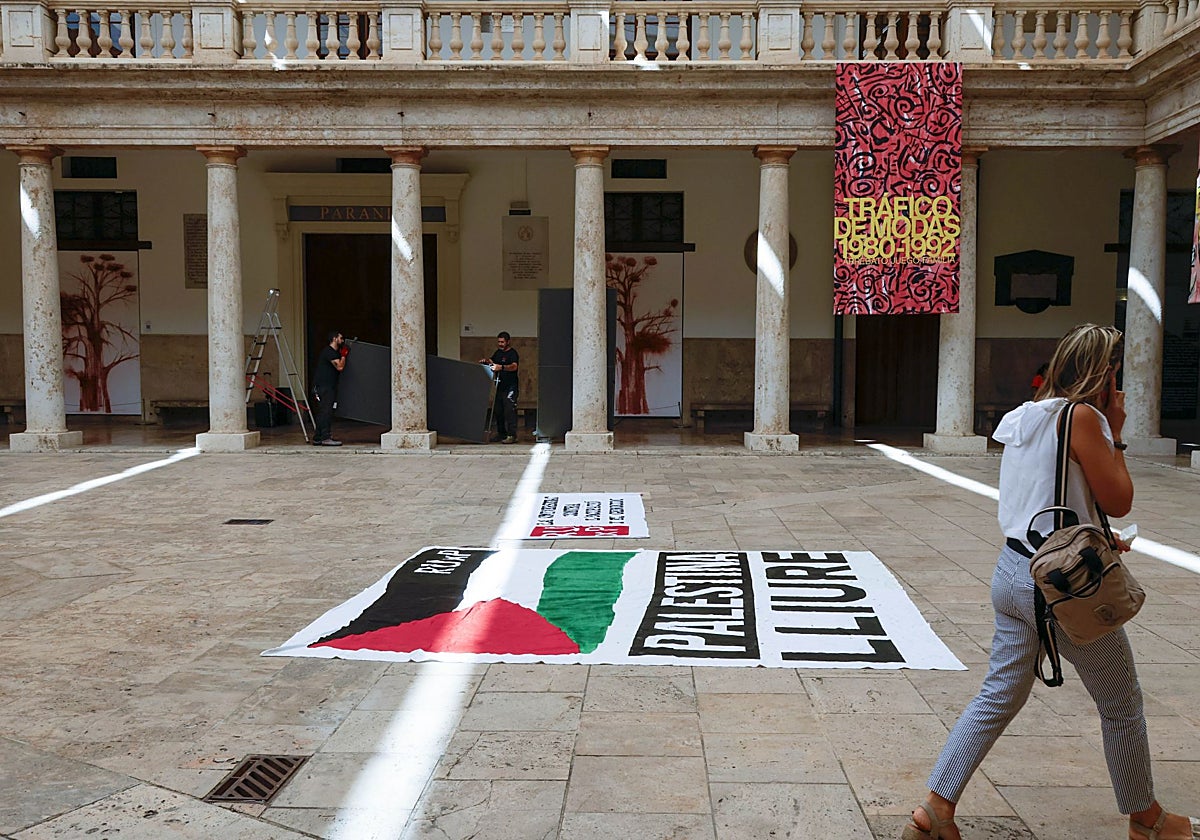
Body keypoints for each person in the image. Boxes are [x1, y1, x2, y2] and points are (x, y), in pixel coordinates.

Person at [903, 324, 1198, 840]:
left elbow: (1048, 497)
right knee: (1121, 702)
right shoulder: (1083, 418)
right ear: (1100, 374)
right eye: (1114, 370)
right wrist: (1119, 428)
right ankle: (1147, 820)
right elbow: (1120, 499)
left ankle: (936, 808)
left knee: (998, 695)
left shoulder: (1026, 416)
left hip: (1015, 570)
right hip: (1062, 588)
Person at [479, 331, 519, 444]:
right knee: (498, 411)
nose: (500, 344)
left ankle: (512, 435)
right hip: (500, 387)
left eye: (502, 342)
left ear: (508, 342)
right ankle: (501, 434)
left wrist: (500, 367)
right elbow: (492, 361)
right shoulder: (498, 352)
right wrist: (486, 361)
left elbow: (514, 366)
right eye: (499, 342)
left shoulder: (512, 353)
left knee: (509, 410)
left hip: (511, 387)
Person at [311, 330, 346, 446]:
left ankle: (318, 437)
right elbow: (340, 367)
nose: (342, 340)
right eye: (341, 338)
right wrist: (344, 356)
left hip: (326, 386)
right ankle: (325, 437)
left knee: (323, 411)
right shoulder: (329, 352)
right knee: (326, 411)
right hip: (324, 387)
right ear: (335, 338)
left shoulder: (330, 352)